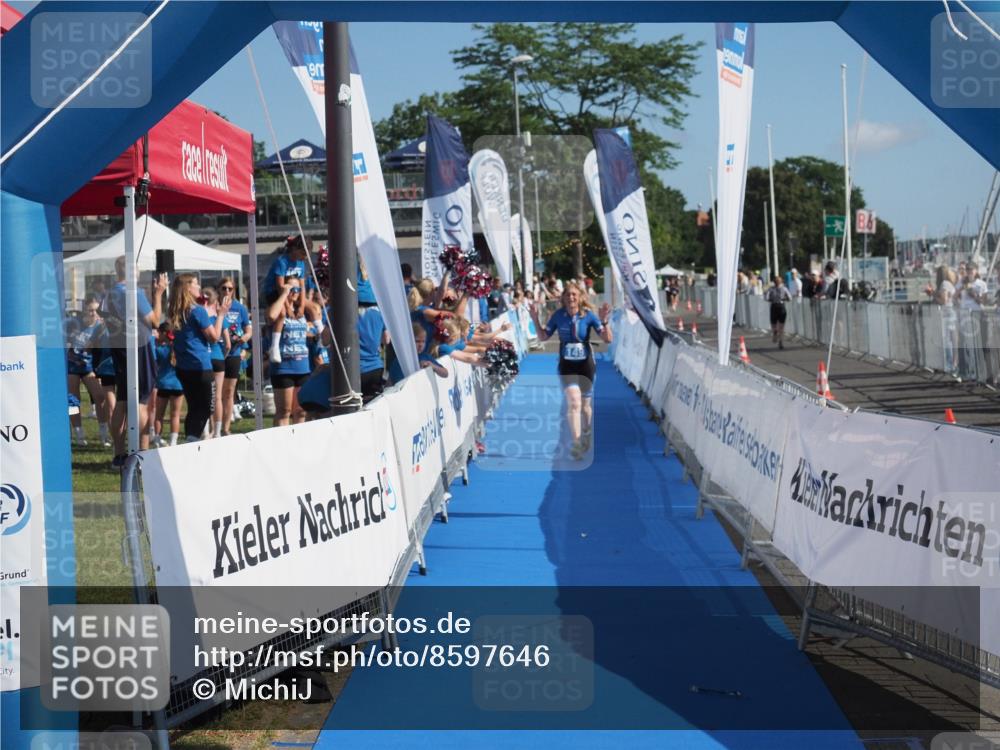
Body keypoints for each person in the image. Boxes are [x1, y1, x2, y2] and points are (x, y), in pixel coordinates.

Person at [529, 282, 612, 460]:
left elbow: (607, 339)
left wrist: (604, 321)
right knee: (574, 402)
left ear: (580, 297)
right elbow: (544, 337)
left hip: (586, 365)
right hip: (567, 364)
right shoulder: (558, 316)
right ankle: (576, 443)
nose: (571, 298)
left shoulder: (589, 316)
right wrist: (535, 319)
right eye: (568, 295)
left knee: (585, 406)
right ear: (563, 298)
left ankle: (587, 431)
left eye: (574, 294)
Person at [103, 256, 167, 466]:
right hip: (139, 349)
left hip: (120, 348)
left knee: (122, 400)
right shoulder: (133, 292)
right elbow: (156, 320)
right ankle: (140, 453)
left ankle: (119, 453)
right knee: (141, 401)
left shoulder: (110, 293)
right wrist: (158, 294)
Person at [169, 274, 231, 442]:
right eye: (196, 284)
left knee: (194, 407)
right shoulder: (197, 310)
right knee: (206, 407)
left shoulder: (176, 309)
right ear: (188, 288)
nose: (199, 287)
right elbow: (214, 336)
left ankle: (191, 438)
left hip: (184, 367)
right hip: (200, 366)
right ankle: (192, 440)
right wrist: (220, 315)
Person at [65, 296, 108, 446]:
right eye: (90, 310)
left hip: (88, 366)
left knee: (100, 397)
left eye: (96, 310)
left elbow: (99, 349)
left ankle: (104, 432)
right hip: (72, 365)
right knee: (73, 400)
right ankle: (78, 433)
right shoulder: (73, 323)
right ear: (84, 310)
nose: (93, 314)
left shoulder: (100, 326)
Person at [266, 280, 310, 426]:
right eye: (291, 288)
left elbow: (316, 308)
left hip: (302, 367)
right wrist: (284, 293)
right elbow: (271, 316)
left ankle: (299, 444)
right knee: (284, 411)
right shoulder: (280, 310)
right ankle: (280, 445)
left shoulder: (301, 310)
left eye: (296, 289)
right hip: (283, 368)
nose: (294, 292)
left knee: (301, 411)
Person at [218, 278, 251, 436]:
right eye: (223, 288)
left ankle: (225, 428)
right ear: (219, 289)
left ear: (234, 290)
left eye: (230, 289)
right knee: (216, 392)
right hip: (216, 352)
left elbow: (248, 330)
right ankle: (215, 427)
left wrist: (244, 338)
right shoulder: (214, 305)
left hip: (234, 353)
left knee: (229, 391)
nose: (226, 291)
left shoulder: (240, 308)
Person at [202, 287, 228, 439]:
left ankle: (205, 431)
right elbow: (228, 343)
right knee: (217, 397)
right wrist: (223, 356)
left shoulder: (199, 316)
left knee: (205, 396)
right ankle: (217, 431)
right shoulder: (218, 318)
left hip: (205, 358)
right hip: (218, 358)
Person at [152, 323, 183, 447]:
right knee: (175, 415)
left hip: (163, 384)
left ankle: (157, 439)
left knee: (159, 415)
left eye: (159, 332)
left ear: (164, 334)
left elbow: (154, 362)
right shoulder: (179, 349)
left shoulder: (159, 349)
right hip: (178, 385)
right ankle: (173, 441)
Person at [765, 275, 793, 349]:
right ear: (781, 282)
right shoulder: (784, 289)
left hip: (774, 306)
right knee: (781, 326)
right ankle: (781, 341)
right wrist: (784, 299)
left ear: (774, 282)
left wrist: (771, 299)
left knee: (773, 323)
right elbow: (790, 298)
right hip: (781, 306)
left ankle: (775, 331)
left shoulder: (771, 289)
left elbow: (766, 297)